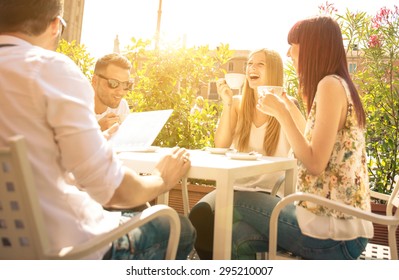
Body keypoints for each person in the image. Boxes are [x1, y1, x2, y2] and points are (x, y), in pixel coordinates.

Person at [0, 0, 195, 260]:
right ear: (56, 25)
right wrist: (162, 178)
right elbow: (114, 191)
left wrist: (97, 140)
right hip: (69, 251)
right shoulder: (49, 70)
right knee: (179, 228)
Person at [251, 15, 373, 260]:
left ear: (311, 47)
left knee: (237, 201)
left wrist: (282, 114)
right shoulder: (338, 84)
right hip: (342, 228)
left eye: (293, 45)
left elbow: (315, 163)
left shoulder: (329, 86)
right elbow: (317, 144)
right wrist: (289, 107)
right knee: (239, 232)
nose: (288, 53)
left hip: (333, 234)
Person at [189, 49, 291, 259]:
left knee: (232, 233)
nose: (251, 68)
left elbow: (304, 145)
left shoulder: (285, 106)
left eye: (260, 64)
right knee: (199, 216)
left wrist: (284, 105)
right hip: (234, 186)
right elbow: (221, 144)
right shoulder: (237, 103)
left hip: (267, 192)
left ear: (274, 70)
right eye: (249, 64)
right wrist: (227, 104)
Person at [92, 53, 132, 131]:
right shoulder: (73, 107)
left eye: (125, 84)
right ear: (95, 81)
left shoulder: (122, 106)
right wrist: (97, 130)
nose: (120, 92)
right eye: (113, 83)